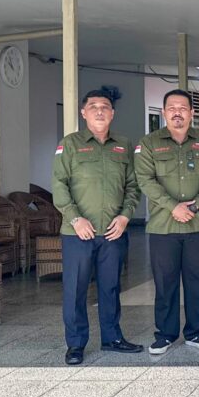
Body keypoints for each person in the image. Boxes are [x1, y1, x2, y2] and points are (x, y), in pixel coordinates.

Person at [52, 89, 143, 365]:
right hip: (77, 233)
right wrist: (75, 218)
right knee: (76, 290)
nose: (100, 111)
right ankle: (76, 345)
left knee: (111, 288)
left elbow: (132, 186)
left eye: (105, 106)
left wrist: (126, 216)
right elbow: (59, 185)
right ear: (84, 112)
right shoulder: (69, 144)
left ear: (113, 113)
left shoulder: (124, 145)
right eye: (93, 106)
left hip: (113, 233)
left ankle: (112, 337)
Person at [135, 89, 199, 355]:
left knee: (198, 280)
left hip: (198, 225)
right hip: (164, 225)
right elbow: (145, 180)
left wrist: (195, 205)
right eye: (172, 108)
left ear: (191, 113)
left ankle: (196, 332)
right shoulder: (149, 143)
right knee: (165, 282)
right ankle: (165, 334)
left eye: (183, 108)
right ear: (163, 113)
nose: (177, 112)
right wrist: (174, 206)